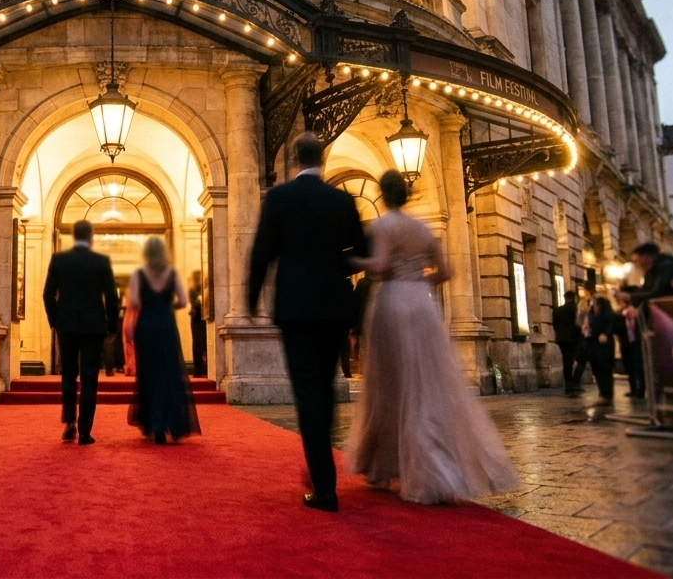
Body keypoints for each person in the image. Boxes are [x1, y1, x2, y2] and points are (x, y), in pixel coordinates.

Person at [345, 170, 519, 505]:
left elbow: (379, 265)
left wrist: (349, 259)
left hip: (393, 303)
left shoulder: (383, 225)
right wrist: (420, 280)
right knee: (424, 385)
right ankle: (436, 468)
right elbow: (446, 271)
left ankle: (386, 465)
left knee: (391, 386)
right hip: (422, 306)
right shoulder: (423, 228)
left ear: (384, 194)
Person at [248, 133, 368, 513]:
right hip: (333, 307)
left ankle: (324, 486)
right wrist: (332, 265)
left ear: (296, 159)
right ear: (322, 159)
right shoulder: (342, 200)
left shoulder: (280, 198)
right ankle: (321, 470)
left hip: (296, 308)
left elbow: (262, 252)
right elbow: (362, 250)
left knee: (307, 394)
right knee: (326, 387)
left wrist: (251, 300)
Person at [41, 219, 120, 445]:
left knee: (68, 373)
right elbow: (111, 297)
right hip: (93, 327)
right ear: (90, 237)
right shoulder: (101, 261)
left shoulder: (59, 260)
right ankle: (85, 431)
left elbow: (48, 294)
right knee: (89, 378)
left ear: (74, 237)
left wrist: (55, 321)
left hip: (67, 325)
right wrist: (112, 326)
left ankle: (69, 423)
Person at [126, 236, 200, 444]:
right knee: (168, 373)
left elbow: (133, 301)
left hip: (146, 326)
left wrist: (148, 303)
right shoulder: (172, 273)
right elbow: (183, 301)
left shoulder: (139, 274)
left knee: (149, 374)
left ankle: (154, 424)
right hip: (166, 325)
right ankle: (169, 423)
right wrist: (167, 306)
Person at [618, 242, 673, 307]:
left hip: (672, 308)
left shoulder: (665, 267)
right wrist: (628, 291)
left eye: (636, 261)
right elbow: (646, 290)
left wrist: (630, 296)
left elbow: (658, 293)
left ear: (645, 257)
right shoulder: (652, 270)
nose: (636, 265)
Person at [582, 296, 618, 404]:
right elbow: (587, 326)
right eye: (593, 304)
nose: (594, 306)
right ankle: (602, 393)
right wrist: (585, 329)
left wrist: (606, 334)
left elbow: (612, 326)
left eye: (596, 304)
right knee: (596, 369)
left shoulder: (608, 315)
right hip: (593, 344)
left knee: (605, 369)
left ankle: (607, 394)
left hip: (604, 344)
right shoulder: (591, 315)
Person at [552, 290, 583, 395]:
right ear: (574, 297)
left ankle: (568, 384)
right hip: (574, 339)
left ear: (565, 298)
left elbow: (555, 325)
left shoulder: (557, 310)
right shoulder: (576, 309)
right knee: (579, 360)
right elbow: (579, 323)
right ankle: (573, 384)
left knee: (566, 360)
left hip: (562, 339)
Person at [616, 295, 645, 398]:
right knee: (630, 367)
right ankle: (634, 389)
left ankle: (640, 389)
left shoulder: (630, 311)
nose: (620, 304)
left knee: (637, 366)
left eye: (621, 302)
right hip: (626, 342)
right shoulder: (621, 313)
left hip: (633, 342)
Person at [188, 270, 208, 378]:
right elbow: (193, 303)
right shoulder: (193, 290)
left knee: (204, 343)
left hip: (204, 318)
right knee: (197, 343)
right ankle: (198, 369)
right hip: (196, 319)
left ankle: (205, 367)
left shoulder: (205, 289)